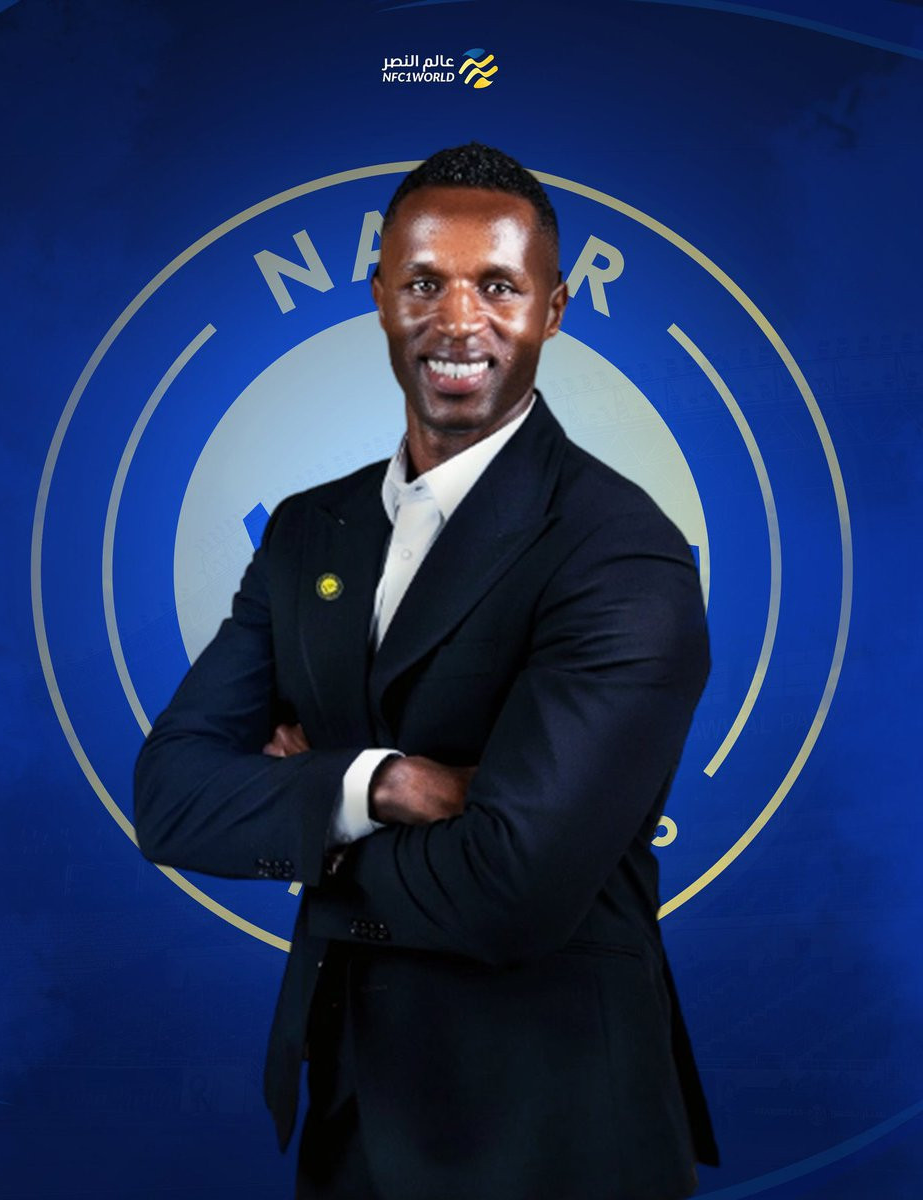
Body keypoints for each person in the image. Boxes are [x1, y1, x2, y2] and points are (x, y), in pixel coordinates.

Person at [134, 142, 719, 1200]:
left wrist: (301, 810)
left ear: (553, 309)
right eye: (423, 283)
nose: (457, 321)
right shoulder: (309, 531)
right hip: (349, 1115)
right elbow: (170, 799)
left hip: (555, 1134)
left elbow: (513, 890)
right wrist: (382, 784)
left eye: (497, 285)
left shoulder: (620, 553)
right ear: (378, 297)